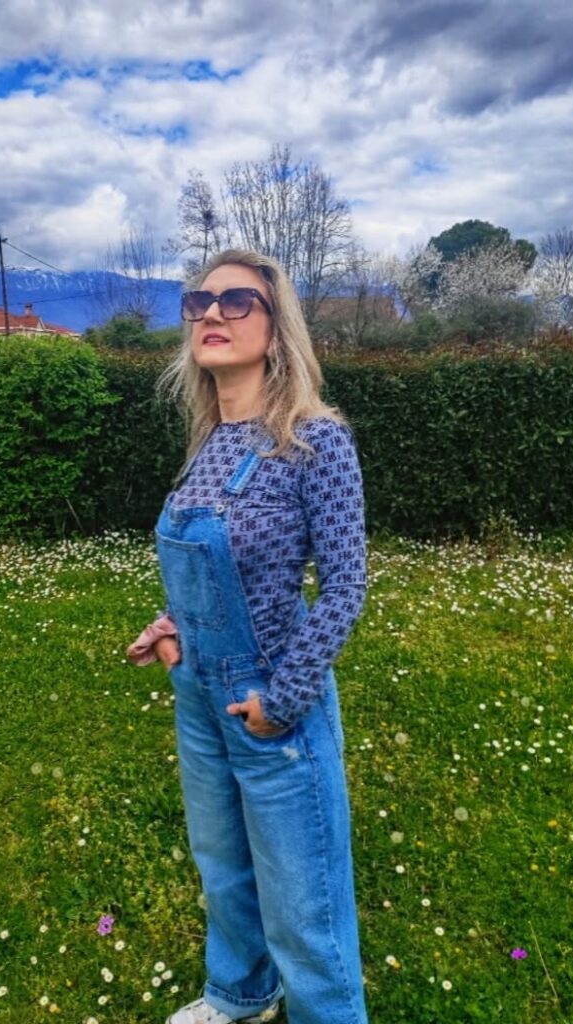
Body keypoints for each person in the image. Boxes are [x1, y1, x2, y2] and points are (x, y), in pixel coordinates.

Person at [127, 249, 369, 1024]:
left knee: (303, 899)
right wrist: (172, 628)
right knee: (223, 867)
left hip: (270, 702)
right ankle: (240, 993)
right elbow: (220, 570)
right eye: (199, 301)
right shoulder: (208, 442)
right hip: (198, 695)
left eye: (236, 302)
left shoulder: (315, 441)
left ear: (275, 327)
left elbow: (346, 586)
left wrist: (284, 700)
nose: (210, 313)